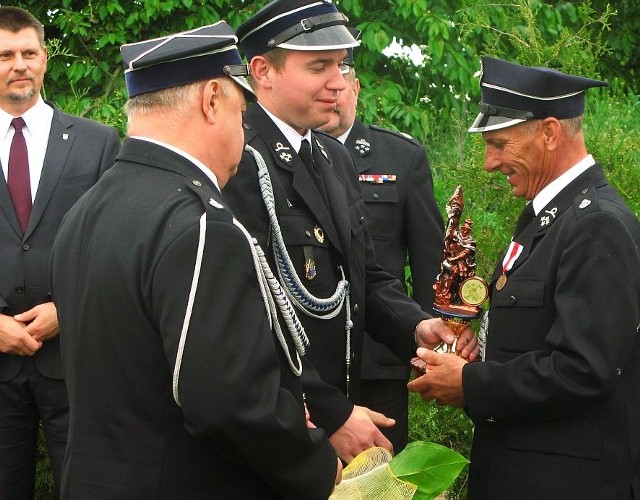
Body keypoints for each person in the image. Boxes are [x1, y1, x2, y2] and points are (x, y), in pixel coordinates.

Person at [50, 22, 340, 499]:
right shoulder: (201, 225)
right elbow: (227, 404)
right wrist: (314, 463)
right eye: (241, 111)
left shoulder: (86, 211)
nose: (245, 135)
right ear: (210, 99)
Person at [224, 0, 477, 464]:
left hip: (343, 403)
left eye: (340, 66)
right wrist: (331, 413)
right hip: (283, 420)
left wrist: (416, 326)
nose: (338, 82)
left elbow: (365, 275)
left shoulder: (330, 156)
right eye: (319, 66)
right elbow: (249, 319)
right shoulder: (238, 158)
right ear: (262, 70)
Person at [408, 56, 640, 499]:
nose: (489, 164)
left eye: (499, 144)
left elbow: (583, 370)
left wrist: (470, 384)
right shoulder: (547, 218)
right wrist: (478, 355)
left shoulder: (596, 224)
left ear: (550, 132)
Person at [0, 6, 120, 498]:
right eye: (5, 54)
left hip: (76, 359)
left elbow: (115, 246)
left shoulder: (97, 143)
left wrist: (66, 311)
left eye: (29, 52)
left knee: (87, 488)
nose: (19, 64)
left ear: (46, 59)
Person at [318, 48, 444, 453]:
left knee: (381, 471)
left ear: (355, 90)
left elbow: (429, 261)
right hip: (315, 357)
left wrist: (429, 342)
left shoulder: (401, 157)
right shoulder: (293, 159)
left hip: (380, 352)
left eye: (343, 87)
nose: (333, 96)